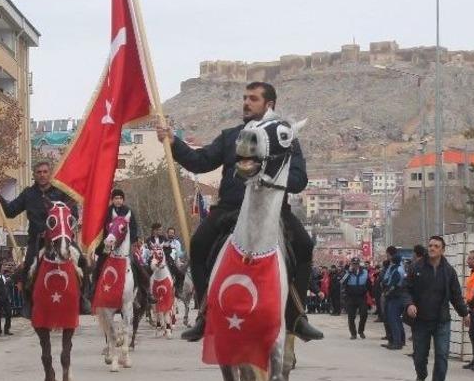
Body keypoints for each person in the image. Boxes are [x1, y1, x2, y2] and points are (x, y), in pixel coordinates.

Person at [156, 82, 322, 343]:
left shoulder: (285, 137)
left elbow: (299, 179)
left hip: (273, 211)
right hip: (229, 209)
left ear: (269, 105)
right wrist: (173, 142)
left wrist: (268, 181)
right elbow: (200, 162)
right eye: (245, 98)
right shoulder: (231, 135)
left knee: (304, 247)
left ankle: (297, 316)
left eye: (253, 98)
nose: (246, 102)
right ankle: (204, 313)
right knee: (197, 246)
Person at [0, 160, 89, 315]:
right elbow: (10, 211)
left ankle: (83, 298)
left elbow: (73, 214)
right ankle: (29, 303)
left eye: (45, 172)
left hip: (60, 239)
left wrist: (64, 226)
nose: (42, 175)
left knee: (82, 261)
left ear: (50, 173)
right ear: (34, 175)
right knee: (27, 268)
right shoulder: (28, 193)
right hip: (37, 240)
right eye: (39, 172)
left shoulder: (61, 191)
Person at [399, 236, 468, 381]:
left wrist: (464, 313)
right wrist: (409, 304)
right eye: (430, 245)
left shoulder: (449, 271)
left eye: (436, 246)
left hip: (441, 320)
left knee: (442, 354)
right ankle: (421, 375)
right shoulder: (416, 267)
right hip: (421, 320)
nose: (432, 248)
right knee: (420, 355)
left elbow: (456, 296)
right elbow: (405, 289)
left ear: (443, 250)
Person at [380, 247, 407, 350]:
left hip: (395, 296)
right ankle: (399, 340)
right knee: (396, 319)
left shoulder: (397, 269)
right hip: (394, 295)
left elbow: (392, 284)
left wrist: (386, 292)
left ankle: (397, 342)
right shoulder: (395, 268)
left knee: (393, 319)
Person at [341, 258, 370, 339]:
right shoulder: (347, 272)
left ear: (359, 264)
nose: (355, 265)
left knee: (364, 314)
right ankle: (353, 333)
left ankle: (361, 331)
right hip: (351, 297)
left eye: (357, 263)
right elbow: (341, 282)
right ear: (351, 264)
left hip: (362, 297)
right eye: (353, 263)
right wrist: (348, 273)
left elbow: (369, 284)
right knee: (351, 316)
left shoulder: (365, 272)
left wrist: (372, 295)